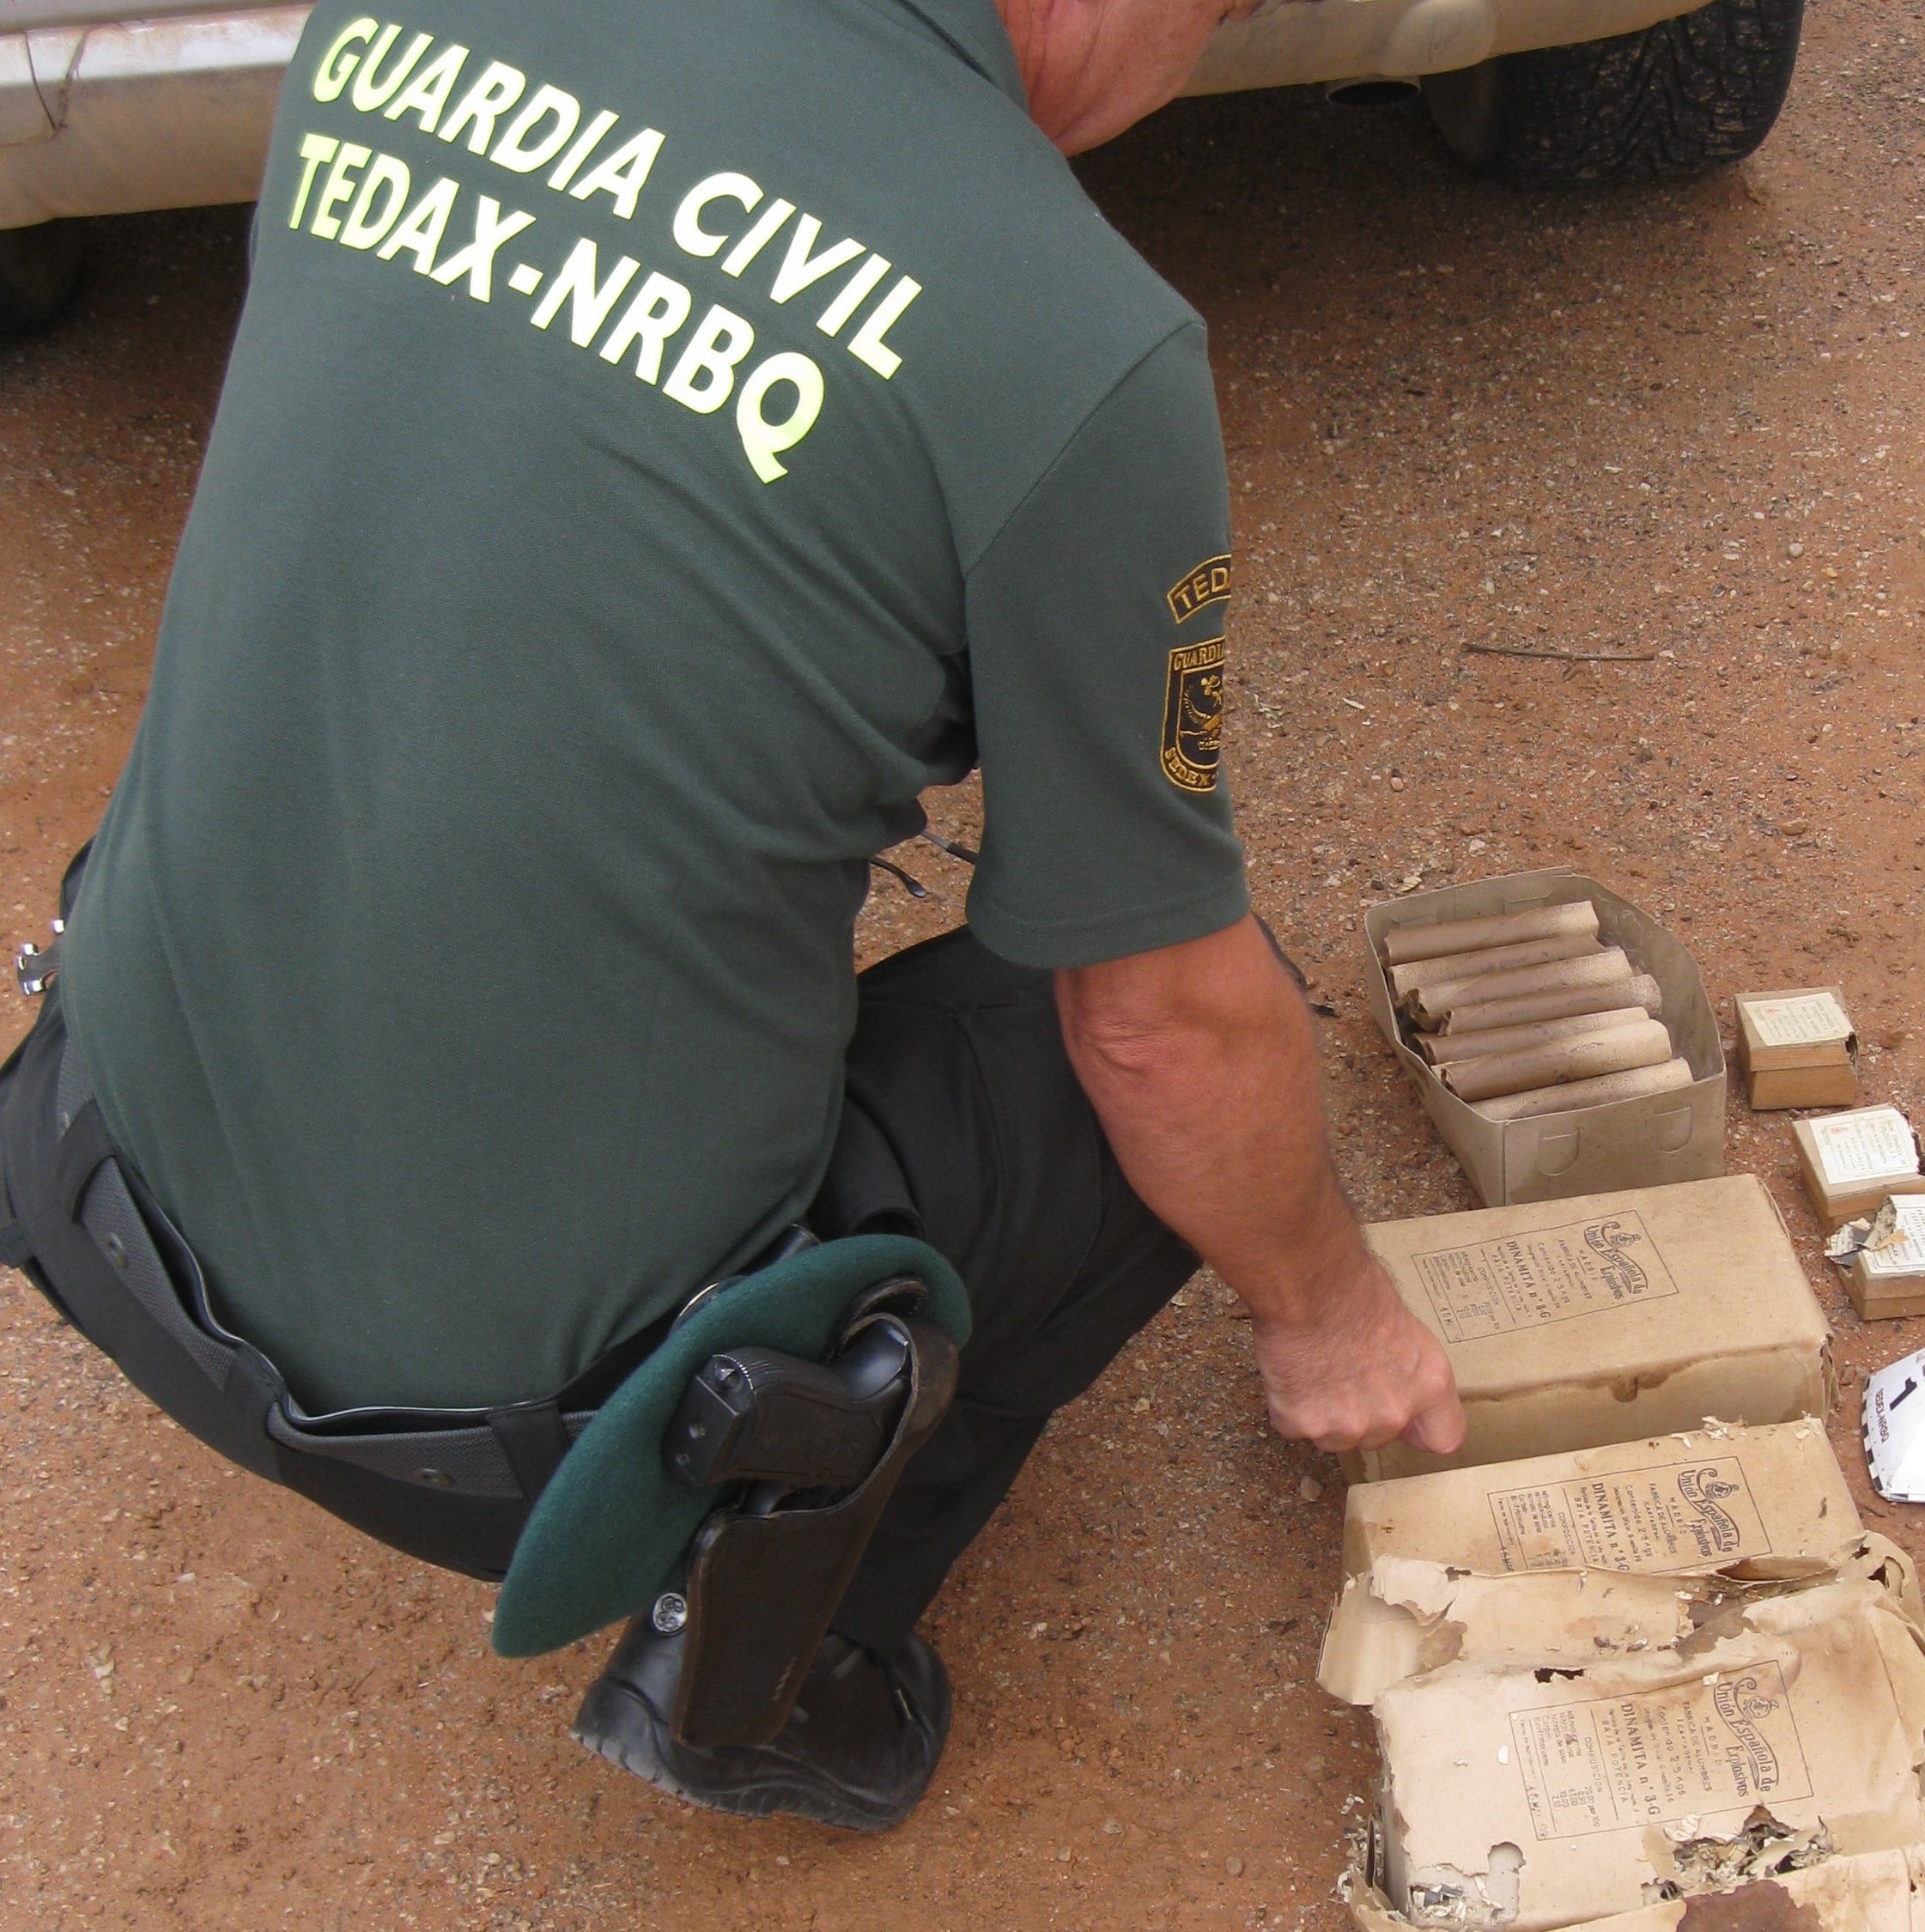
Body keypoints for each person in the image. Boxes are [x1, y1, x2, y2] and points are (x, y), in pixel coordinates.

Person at [0, 0, 1464, 1835]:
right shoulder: (1068, 336)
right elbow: (1164, 1028)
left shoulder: (403, 19)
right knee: (1147, 1072)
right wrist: (1329, 1308)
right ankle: (767, 1662)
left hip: (92, 1167)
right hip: (516, 1438)